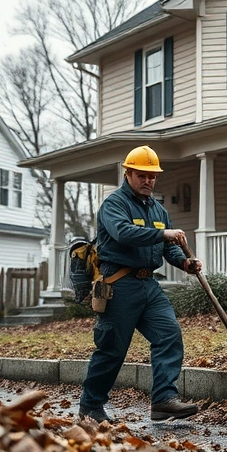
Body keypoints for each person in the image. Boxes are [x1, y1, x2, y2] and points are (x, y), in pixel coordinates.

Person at [78, 145, 203, 423]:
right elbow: (124, 233)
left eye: (153, 176)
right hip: (119, 285)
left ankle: (163, 401)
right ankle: (90, 406)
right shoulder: (115, 204)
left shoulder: (158, 209)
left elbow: (168, 248)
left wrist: (184, 263)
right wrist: (163, 234)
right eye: (142, 175)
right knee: (112, 349)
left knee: (168, 334)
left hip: (149, 286)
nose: (149, 181)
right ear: (129, 174)